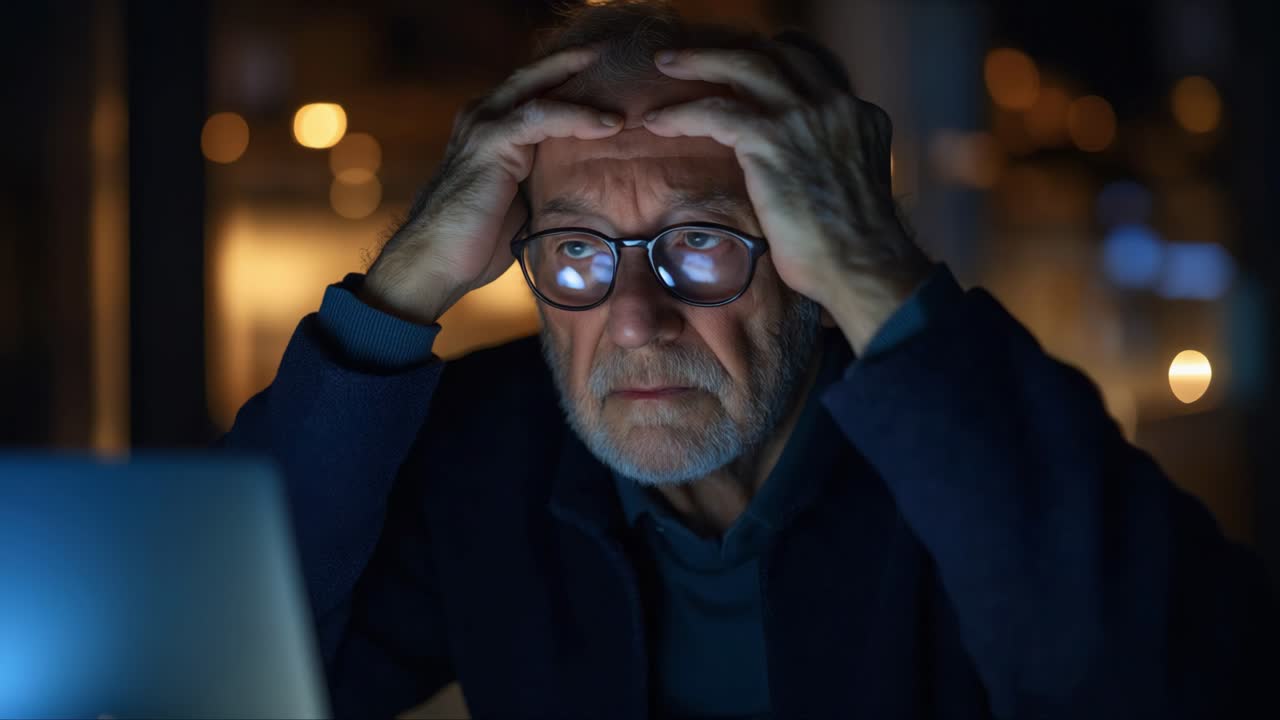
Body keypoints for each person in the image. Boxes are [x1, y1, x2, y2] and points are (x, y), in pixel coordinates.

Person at [219, 3, 1274, 718]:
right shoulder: (485, 457)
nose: (634, 320)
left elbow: (1163, 681)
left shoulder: (961, 454)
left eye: (702, 243)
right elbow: (230, 664)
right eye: (576, 251)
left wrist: (876, 270)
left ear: (813, 268)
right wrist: (400, 284)